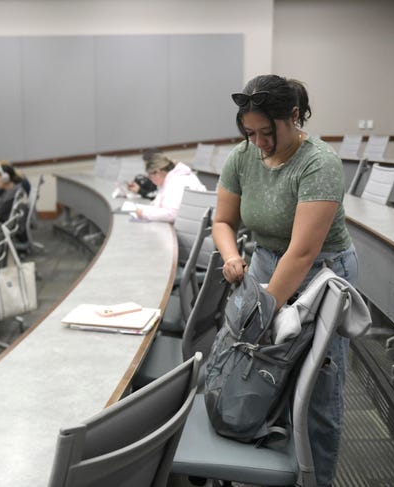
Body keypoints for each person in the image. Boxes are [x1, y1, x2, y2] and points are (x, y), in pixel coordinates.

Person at [212, 74, 357, 487]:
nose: (257, 143)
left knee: (317, 389)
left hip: (319, 276)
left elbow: (303, 252)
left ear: (294, 117)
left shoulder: (319, 163)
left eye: (266, 133)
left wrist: (261, 316)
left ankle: (317, 479)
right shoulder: (243, 156)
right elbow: (223, 221)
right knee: (251, 372)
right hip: (264, 264)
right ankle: (252, 472)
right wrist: (232, 255)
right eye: (249, 133)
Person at [127, 152, 206, 222]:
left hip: (186, 230)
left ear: (157, 172)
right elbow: (158, 205)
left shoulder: (177, 181)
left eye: (150, 176)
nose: (151, 180)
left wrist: (144, 213)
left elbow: (171, 214)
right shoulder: (172, 178)